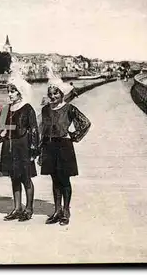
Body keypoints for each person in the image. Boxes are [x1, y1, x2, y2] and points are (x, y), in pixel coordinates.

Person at [38, 74, 91, 226]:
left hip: (64, 146)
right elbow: (43, 130)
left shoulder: (69, 108)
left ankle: (66, 210)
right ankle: (57, 210)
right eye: (50, 94)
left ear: (62, 94)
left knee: (64, 179)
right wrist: (41, 151)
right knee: (54, 179)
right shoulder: (46, 110)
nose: (53, 96)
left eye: (56, 93)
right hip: (49, 146)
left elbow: (85, 123)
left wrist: (73, 135)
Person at [0, 71, 40, 222]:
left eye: (13, 91)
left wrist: (34, 150)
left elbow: (34, 129)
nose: (10, 94)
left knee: (25, 178)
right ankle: (17, 208)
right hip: (9, 146)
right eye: (8, 91)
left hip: (24, 146)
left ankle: (28, 208)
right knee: (14, 178)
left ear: (20, 92)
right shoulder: (6, 109)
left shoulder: (27, 108)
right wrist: (1, 132)